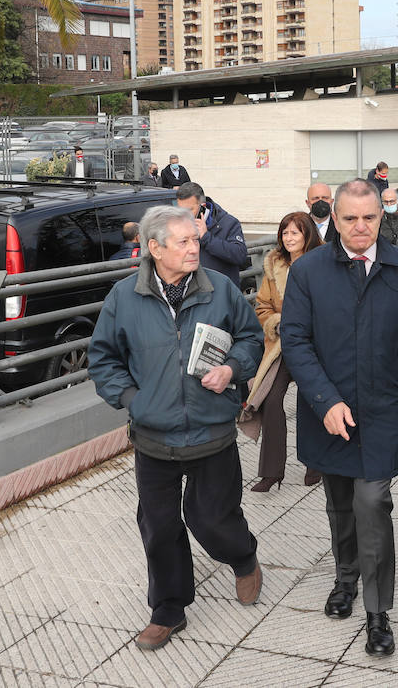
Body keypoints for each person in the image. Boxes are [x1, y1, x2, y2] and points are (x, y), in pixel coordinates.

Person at [89, 205, 266, 651]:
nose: (195, 247)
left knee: (212, 519)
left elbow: (251, 339)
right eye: (184, 241)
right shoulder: (124, 297)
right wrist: (134, 400)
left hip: (212, 431)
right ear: (155, 248)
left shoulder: (221, 289)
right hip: (153, 437)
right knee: (160, 526)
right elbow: (104, 358)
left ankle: (243, 557)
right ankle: (168, 609)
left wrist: (231, 369)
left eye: (196, 239)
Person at [280, 179, 398, 657]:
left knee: (372, 502)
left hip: (386, 410)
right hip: (330, 411)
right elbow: (295, 341)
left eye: (369, 217)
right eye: (350, 218)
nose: (361, 226)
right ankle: (344, 577)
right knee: (340, 502)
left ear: (380, 216)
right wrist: (325, 402)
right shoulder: (308, 271)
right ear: (335, 219)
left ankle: (377, 610)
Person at [239, 212, 323, 491]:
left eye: (295, 233)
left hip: (316, 346)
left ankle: (315, 461)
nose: (288, 238)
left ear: (307, 235)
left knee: (312, 401)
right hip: (283, 344)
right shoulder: (274, 263)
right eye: (285, 233)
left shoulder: (324, 262)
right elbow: (262, 306)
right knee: (271, 400)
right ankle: (271, 472)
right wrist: (277, 323)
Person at [174, 182, 250, 286]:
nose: (184, 215)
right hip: (191, 292)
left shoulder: (229, 223)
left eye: (189, 210)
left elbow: (239, 255)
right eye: (180, 210)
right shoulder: (177, 224)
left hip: (221, 291)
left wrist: (207, 237)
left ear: (203, 206)